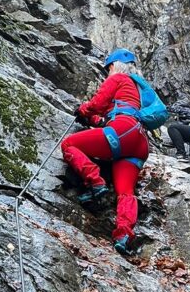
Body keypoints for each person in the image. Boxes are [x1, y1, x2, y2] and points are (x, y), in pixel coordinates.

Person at [60, 49, 149, 255]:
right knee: (125, 191)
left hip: (122, 132)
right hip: (139, 142)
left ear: (112, 66)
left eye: (107, 68)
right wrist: (93, 120)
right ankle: (123, 235)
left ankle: (95, 182)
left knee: (69, 145)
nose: (107, 72)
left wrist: (83, 110)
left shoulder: (117, 78)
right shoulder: (137, 89)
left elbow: (97, 105)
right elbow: (107, 117)